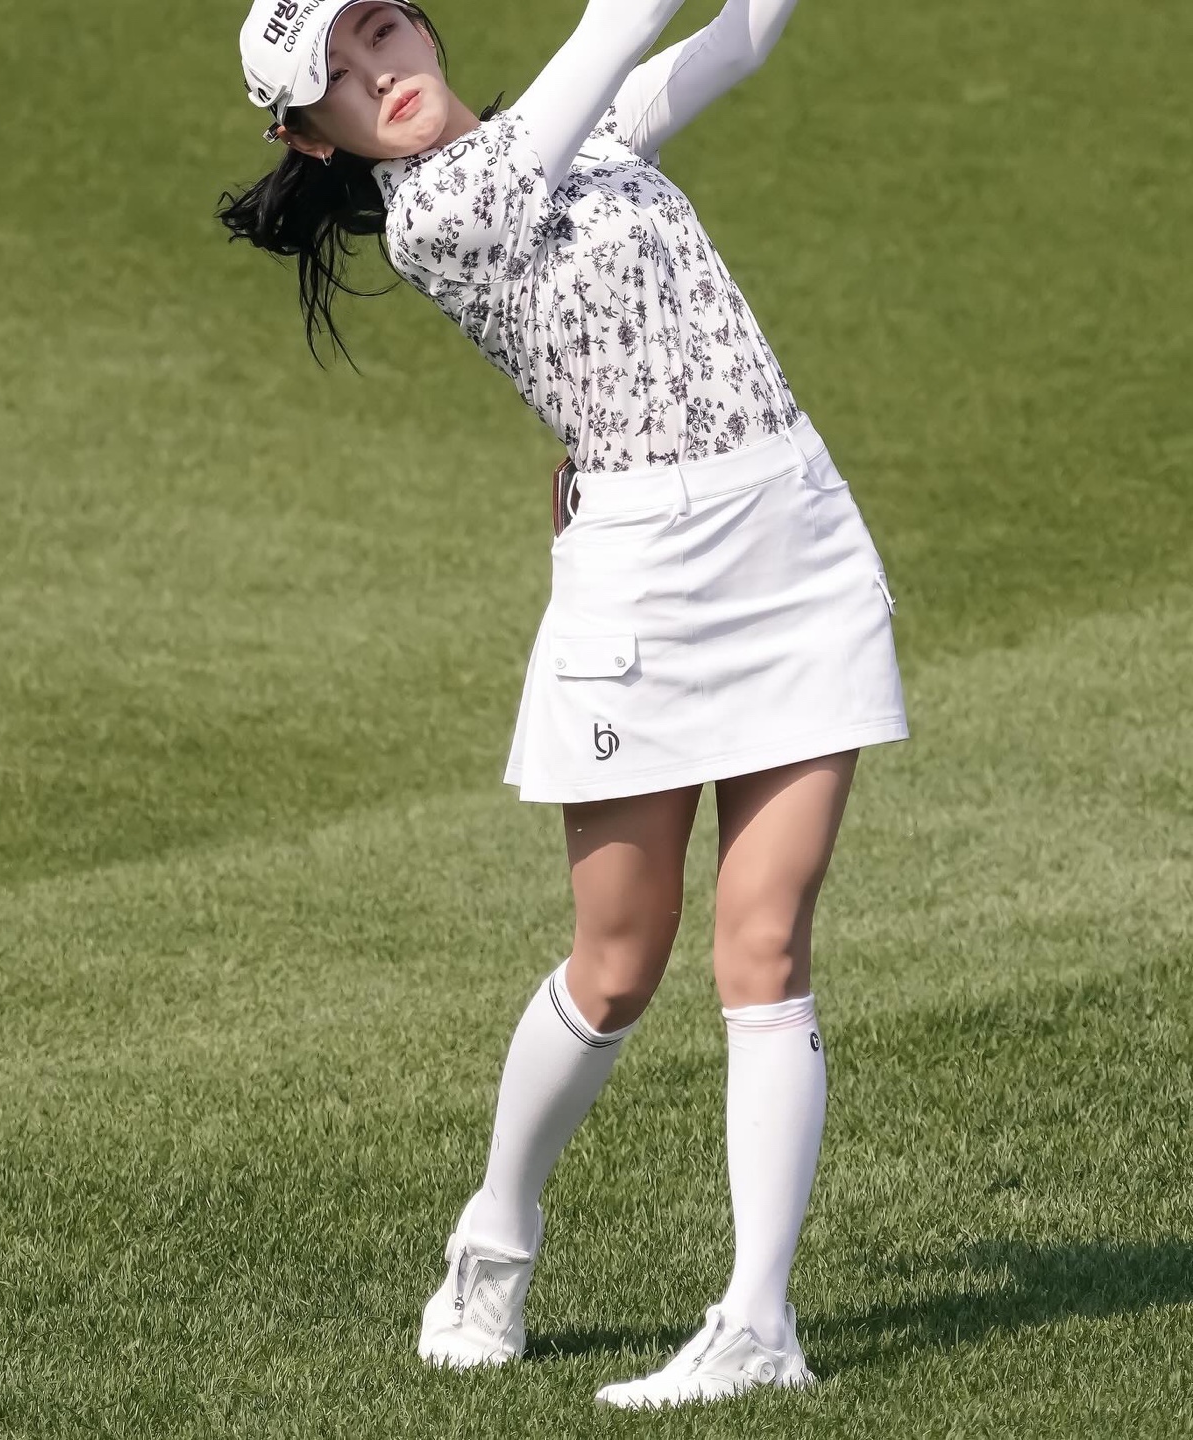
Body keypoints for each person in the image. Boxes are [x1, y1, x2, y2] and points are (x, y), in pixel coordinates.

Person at [221, 0, 909, 1411]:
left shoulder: (578, 134)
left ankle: (757, 1325)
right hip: (641, 589)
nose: (378, 77)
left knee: (767, 944)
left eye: (381, 35)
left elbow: (735, 42)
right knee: (617, 964)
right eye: (337, 81)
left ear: (418, 27)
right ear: (314, 138)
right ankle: (495, 1235)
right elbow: (617, 22)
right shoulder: (436, 216)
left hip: (796, 544)